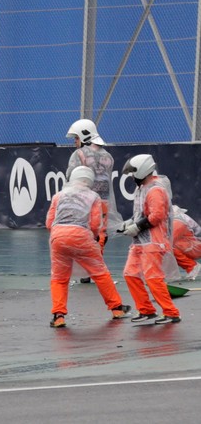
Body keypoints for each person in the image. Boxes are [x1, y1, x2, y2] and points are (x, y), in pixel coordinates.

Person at [46, 166, 131, 328]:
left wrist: (59, 234)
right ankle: (117, 308)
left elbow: (49, 223)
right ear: (90, 181)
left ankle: (58, 316)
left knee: (59, 278)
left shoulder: (58, 195)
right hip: (81, 236)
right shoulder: (93, 196)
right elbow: (94, 224)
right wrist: (93, 237)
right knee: (100, 273)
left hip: (57, 236)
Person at [118, 154, 181, 324]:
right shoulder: (142, 189)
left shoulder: (155, 190)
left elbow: (157, 215)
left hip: (154, 241)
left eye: (133, 173)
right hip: (141, 241)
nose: (132, 177)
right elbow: (141, 214)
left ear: (142, 170)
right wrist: (129, 223)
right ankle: (146, 309)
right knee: (130, 274)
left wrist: (137, 226)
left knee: (153, 277)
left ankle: (171, 312)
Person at [65, 118, 121, 283]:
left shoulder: (79, 154)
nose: (75, 142)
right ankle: (95, 269)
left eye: (76, 138)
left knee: (82, 233)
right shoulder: (108, 156)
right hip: (103, 201)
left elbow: (71, 175)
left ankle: (84, 271)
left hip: (84, 201)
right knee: (99, 235)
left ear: (84, 135)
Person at [170, 204, 201, 280]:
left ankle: (192, 266)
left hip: (195, 247)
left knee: (168, 248)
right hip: (193, 246)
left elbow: (169, 241)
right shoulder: (180, 219)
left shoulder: (177, 222)